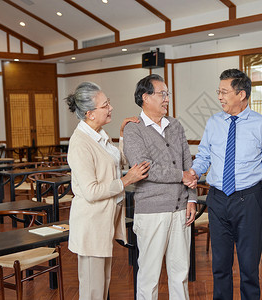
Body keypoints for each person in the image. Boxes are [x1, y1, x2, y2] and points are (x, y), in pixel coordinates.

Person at [190, 68, 262, 300]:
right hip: (217, 199)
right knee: (220, 266)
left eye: (224, 92)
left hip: (249, 200)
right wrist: (194, 172)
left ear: (241, 95)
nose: (219, 96)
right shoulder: (214, 122)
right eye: (219, 91)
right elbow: (204, 156)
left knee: (249, 267)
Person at [66, 81, 150, 300]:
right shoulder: (80, 143)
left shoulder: (99, 134)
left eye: (109, 103)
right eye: (105, 105)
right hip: (90, 225)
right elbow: (92, 191)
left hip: (103, 223)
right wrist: (126, 180)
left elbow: (117, 160)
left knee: (103, 287)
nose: (111, 108)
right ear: (90, 113)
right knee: (93, 291)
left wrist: (123, 134)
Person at [122, 74, 197, 300]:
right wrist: (181, 176)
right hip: (152, 211)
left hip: (181, 209)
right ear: (145, 97)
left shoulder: (175, 125)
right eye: (162, 94)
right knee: (149, 275)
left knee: (180, 273)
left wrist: (192, 198)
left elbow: (188, 164)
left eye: (167, 94)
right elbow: (145, 169)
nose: (166, 99)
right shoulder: (133, 129)